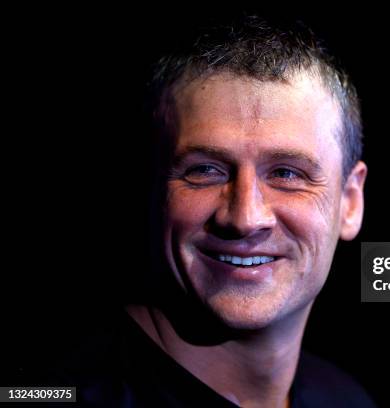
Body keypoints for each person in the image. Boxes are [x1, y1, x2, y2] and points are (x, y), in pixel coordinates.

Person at [49, 15, 373, 408]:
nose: (245, 217)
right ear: (149, 185)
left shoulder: (345, 399)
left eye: (287, 173)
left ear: (350, 202)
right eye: (204, 170)